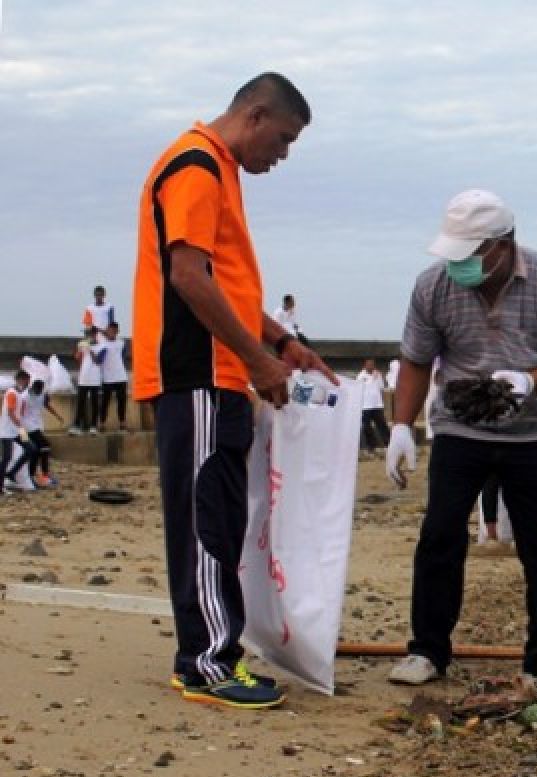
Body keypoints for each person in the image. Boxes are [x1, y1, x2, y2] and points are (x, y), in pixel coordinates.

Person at [131, 72, 333, 709]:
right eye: (283, 138)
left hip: (216, 376)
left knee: (217, 516)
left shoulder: (219, 170)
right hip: (196, 375)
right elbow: (189, 277)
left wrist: (277, 341)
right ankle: (208, 664)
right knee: (203, 522)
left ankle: (213, 654)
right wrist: (258, 363)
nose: (282, 153)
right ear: (253, 115)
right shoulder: (195, 164)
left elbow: (226, 283)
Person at [384, 188, 537, 690]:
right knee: (440, 536)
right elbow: (417, 359)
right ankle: (428, 650)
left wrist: (530, 380)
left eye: (470, 254)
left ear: (503, 245)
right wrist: (401, 425)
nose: (458, 265)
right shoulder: (432, 286)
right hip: (461, 429)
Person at [20, 378, 63, 488]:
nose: (38, 393)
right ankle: (41, 474)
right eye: (37, 391)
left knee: (38, 450)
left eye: (40, 391)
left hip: (37, 426)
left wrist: (57, 415)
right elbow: (19, 414)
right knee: (44, 446)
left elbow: (46, 405)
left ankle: (36, 475)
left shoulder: (42, 395)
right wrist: (21, 432)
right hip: (26, 427)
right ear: (33, 388)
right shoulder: (24, 397)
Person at [1, 371, 39, 493]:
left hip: (18, 429)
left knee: (31, 448)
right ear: (20, 380)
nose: (27, 384)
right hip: (7, 431)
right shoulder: (11, 393)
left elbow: (19, 412)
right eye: (26, 381)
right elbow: (11, 412)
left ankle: (11, 473)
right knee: (7, 457)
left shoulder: (19, 394)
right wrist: (18, 423)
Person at [97, 322, 130, 433]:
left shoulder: (121, 343)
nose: (111, 332)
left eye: (113, 330)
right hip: (108, 378)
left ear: (117, 331)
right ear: (106, 331)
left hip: (121, 377)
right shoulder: (103, 344)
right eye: (109, 330)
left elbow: (124, 356)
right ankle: (102, 423)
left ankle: (122, 423)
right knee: (105, 402)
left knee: (121, 401)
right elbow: (99, 360)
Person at [70, 328, 103, 435]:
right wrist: (80, 352)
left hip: (95, 379)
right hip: (84, 378)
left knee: (94, 403)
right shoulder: (81, 344)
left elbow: (98, 361)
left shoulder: (101, 345)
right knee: (80, 403)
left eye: (89, 334)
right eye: (86, 334)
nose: (87, 335)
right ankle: (76, 425)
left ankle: (94, 426)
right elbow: (77, 359)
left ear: (95, 334)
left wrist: (91, 349)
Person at [357, 358, 389, 455]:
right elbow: (358, 390)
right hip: (365, 406)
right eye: (369, 364)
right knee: (367, 427)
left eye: (372, 364)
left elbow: (382, 387)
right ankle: (371, 447)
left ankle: (388, 445)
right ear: (365, 365)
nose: (371, 366)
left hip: (377, 405)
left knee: (382, 425)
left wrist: (379, 377)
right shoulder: (360, 376)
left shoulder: (378, 374)